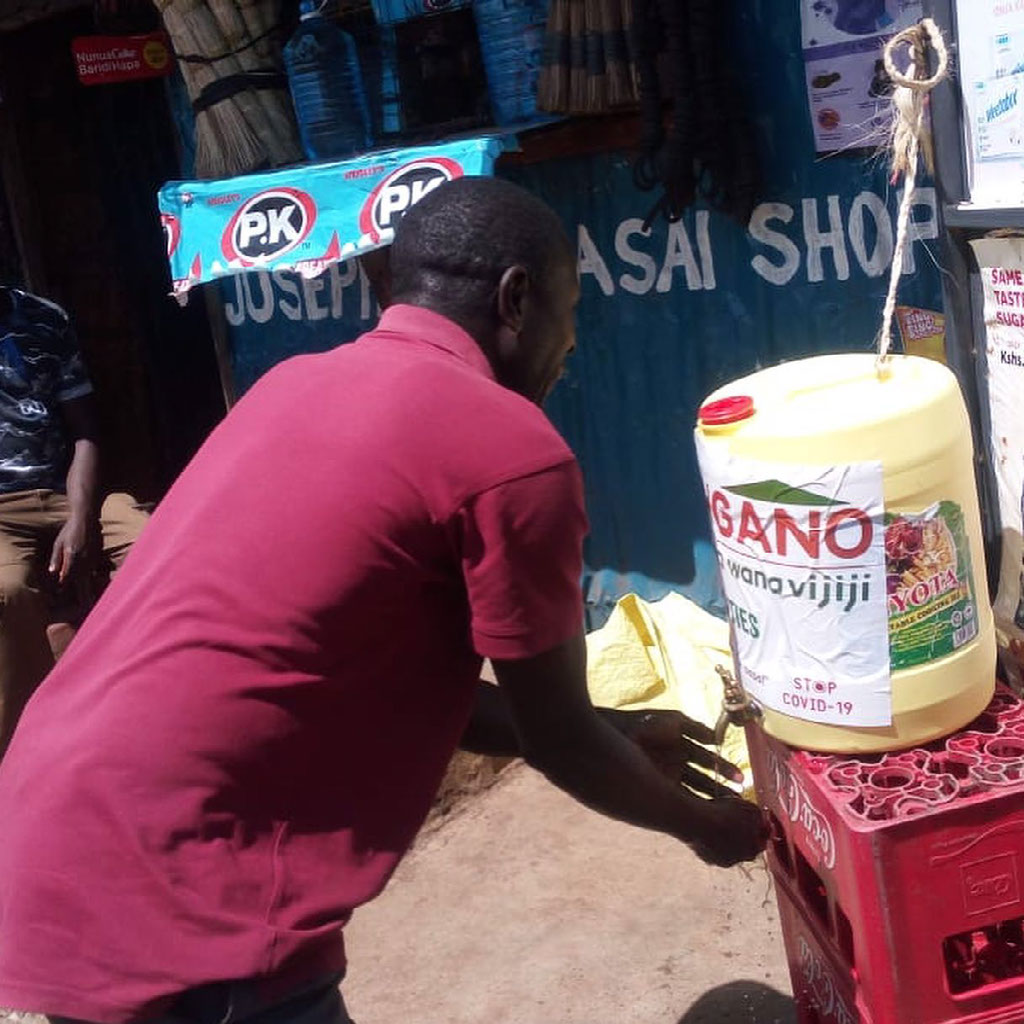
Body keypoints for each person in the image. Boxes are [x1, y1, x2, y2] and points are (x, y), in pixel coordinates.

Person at [0, 178, 766, 1024]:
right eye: (571, 311)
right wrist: (709, 826)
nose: (572, 343)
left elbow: (358, 672)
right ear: (517, 298)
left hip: (51, 829)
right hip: (187, 882)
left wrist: (614, 727)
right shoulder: (511, 451)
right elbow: (559, 741)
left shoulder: (292, 384)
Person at [0, 285, 148, 758]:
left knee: (148, 542)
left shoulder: (42, 317)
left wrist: (81, 516)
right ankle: (30, 740)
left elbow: (84, 431)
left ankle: (141, 695)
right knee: (9, 589)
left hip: (69, 491)